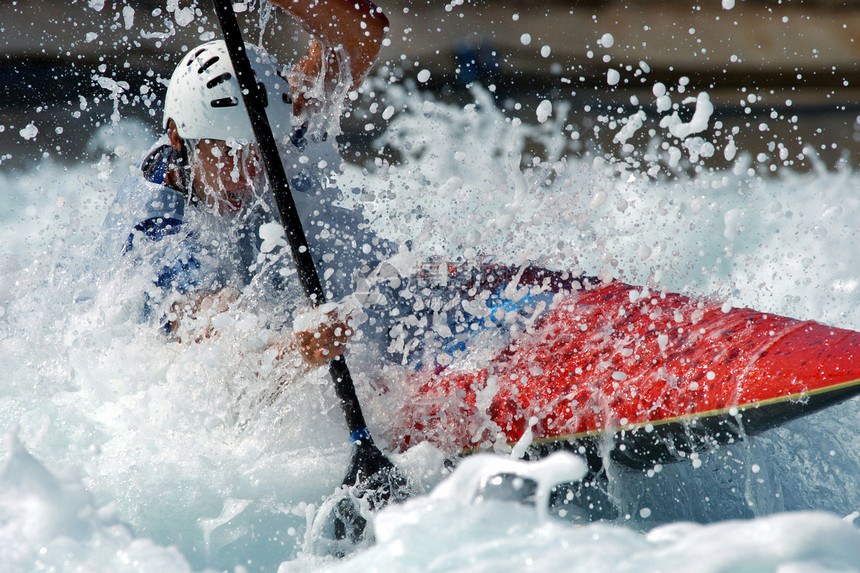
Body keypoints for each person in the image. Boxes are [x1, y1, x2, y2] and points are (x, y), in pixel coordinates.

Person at [101, 0, 392, 367]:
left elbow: (361, 32)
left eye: (258, 151)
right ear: (177, 137)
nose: (246, 173)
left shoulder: (277, 131)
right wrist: (295, 351)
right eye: (225, 152)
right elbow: (207, 338)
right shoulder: (155, 222)